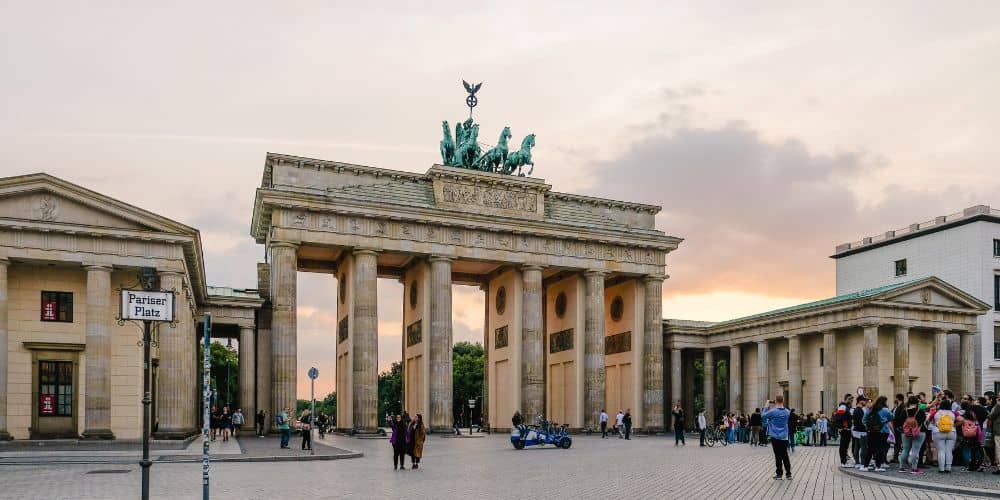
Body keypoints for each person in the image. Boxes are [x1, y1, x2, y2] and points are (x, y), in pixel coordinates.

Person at [763, 396, 792, 480]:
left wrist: (766, 405)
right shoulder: (787, 412)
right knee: (785, 455)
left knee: (778, 455)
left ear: (775, 401)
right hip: (784, 436)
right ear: (783, 401)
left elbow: (763, 416)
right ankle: (788, 474)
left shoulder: (772, 411)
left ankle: (779, 474)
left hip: (775, 436)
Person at [863, 395, 893, 472]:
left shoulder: (871, 409)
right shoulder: (885, 410)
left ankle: (865, 466)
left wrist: (868, 426)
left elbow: (864, 420)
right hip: (883, 432)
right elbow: (892, 417)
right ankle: (878, 466)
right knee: (880, 449)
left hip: (872, 431)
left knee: (870, 449)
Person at [898, 395, 927, 474]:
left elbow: (900, 421)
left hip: (905, 432)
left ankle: (901, 467)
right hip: (919, 432)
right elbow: (923, 420)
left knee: (905, 449)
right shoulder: (920, 410)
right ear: (917, 402)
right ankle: (914, 468)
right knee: (915, 450)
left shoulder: (904, 411)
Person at [929, 397, 957, 473]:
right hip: (951, 432)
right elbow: (961, 420)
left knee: (941, 450)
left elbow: (927, 421)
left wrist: (933, 425)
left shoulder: (936, 413)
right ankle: (948, 467)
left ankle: (941, 468)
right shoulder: (953, 413)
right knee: (949, 450)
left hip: (938, 432)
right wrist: (954, 425)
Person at [835, 394, 854, 466]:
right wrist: (842, 427)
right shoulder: (843, 406)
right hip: (844, 429)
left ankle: (844, 461)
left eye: (852, 400)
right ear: (847, 399)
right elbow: (839, 417)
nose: (852, 401)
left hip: (847, 428)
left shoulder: (847, 407)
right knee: (843, 445)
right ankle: (843, 462)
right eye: (850, 400)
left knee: (845, 445)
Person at [853, 397, 869, 470]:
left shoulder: (856, 409)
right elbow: (862, 421)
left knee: (857, 446)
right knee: (863, 447)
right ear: (860, 401)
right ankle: (862, 464)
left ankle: (857, 463)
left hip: (856, 430)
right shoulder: (860, 410)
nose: (865, 402)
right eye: (864, 401)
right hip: (861, 431)